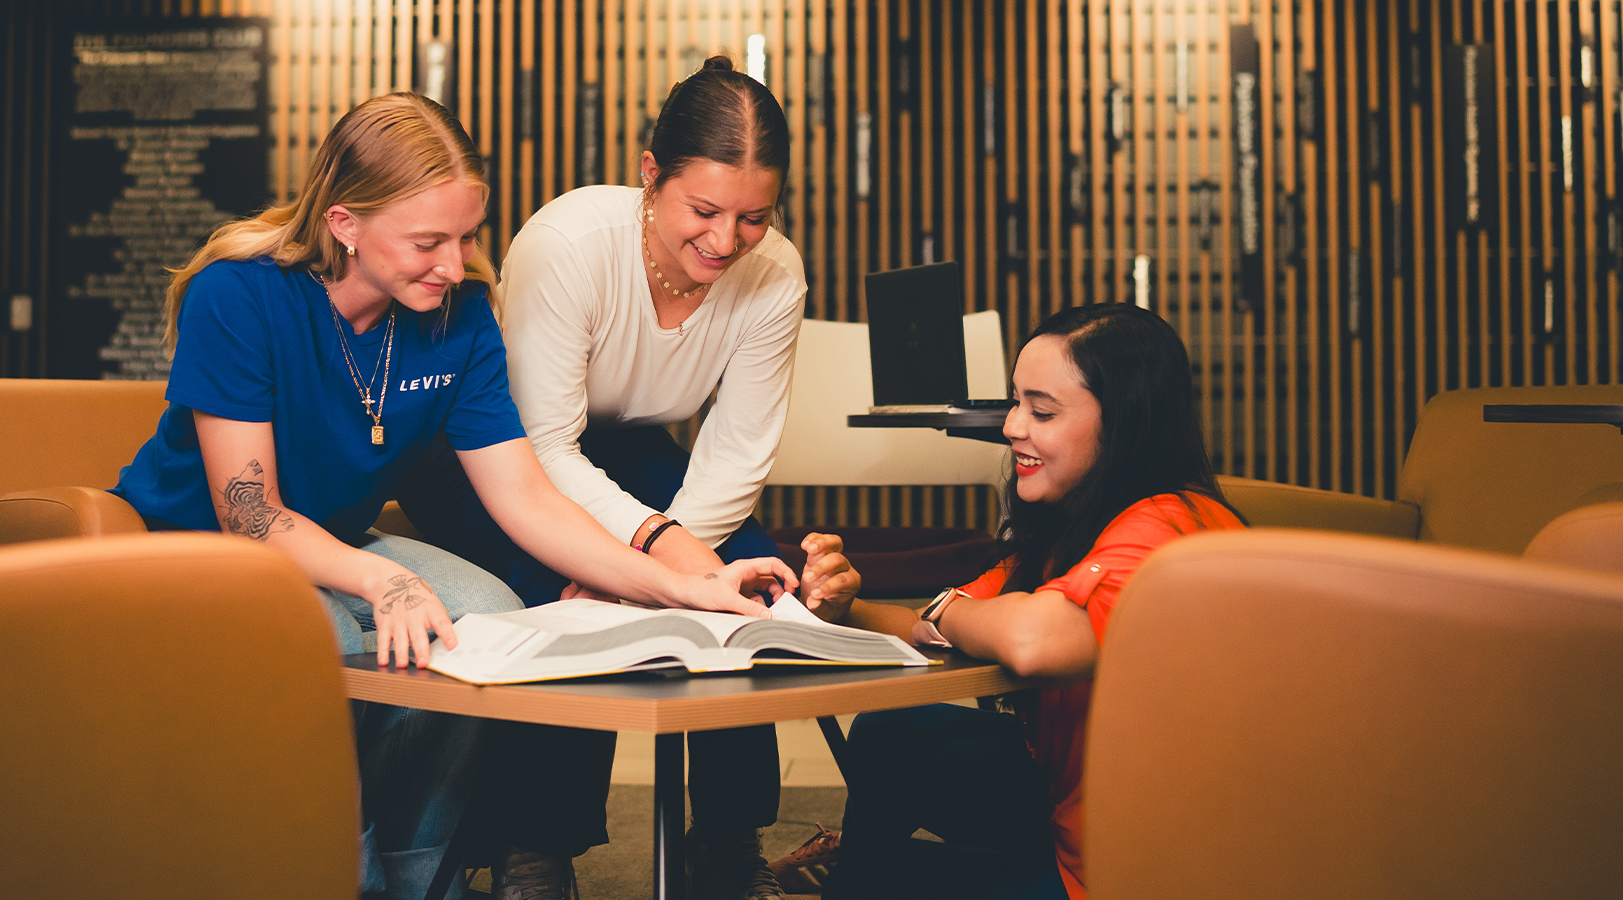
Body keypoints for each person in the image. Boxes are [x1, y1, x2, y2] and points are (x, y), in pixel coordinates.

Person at [110, 91, 798, 900]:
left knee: (494, 611)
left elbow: (527, 499)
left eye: (466, 236)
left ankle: (419, 874)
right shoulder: (239, 296)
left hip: (326, 538)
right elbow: (248, 513)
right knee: (320, 635)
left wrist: (684, 585)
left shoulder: (461, 314)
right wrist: (383, 579)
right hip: (197, 548)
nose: (456, 262)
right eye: (428, 242)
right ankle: (339, 872)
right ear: (344, 225)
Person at [393, 57, 828, 898]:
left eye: (753, 217)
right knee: (560, 587)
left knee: (749, 580)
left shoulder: (774, 272)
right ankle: (534, 851)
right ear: (649, 176)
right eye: (703, 210)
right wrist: (645, 562)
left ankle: (730, 842)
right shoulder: (569, 243)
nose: (726, 241)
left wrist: (683, 569)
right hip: (492, 454)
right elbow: (546, 450)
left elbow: (734, 457)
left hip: (627, 450)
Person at [798, 303, 1248, 900]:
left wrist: (946, 615)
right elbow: (922, 625)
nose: (1012, 426)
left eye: (1041, 411)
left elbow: (1032, 641)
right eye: (1015, 402)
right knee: (893, 734)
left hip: (1137, 867)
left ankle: (860, 871)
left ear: (1126, 423)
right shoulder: (1080, 526)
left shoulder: (1165, 528)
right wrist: (842, 605)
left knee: (878, 877)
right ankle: (859, 864)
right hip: (1078, 806)